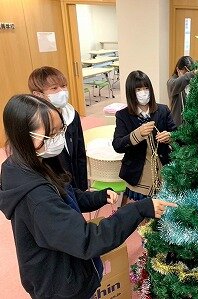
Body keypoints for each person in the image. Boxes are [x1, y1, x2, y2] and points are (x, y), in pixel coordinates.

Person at [0, 94, 177, 299]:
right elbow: (88, 240)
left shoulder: (31, 161)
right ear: (24, 135)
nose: (59, 140)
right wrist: (138, 209)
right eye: (51, 135)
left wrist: (98, 198)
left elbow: (66, 195)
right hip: (62, 287)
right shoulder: (37, 198)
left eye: (60, 131)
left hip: (65, 271)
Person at [113, 70, 176, 204]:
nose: (144, 92)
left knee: (164, 210)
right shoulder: (123, 115)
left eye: (146, 88)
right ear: (131, 92)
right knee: (141, 216)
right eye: (139, 89)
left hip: (164, 172)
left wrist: (170, 136)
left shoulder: (163, 110)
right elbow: (117, 145)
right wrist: (137, 134)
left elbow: (179, 136)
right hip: (138, 175)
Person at [28, 66, 88, 191]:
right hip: (53, 185)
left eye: (64, 86)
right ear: (38, 94)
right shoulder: (35, 123)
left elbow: (80, 151)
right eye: (54, 88)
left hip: (74, 179)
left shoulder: (71, 114)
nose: (62, 92)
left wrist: (83, 186)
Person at [167, 55, 195, 126]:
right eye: (185, 73)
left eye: (189, 72)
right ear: (178, 70)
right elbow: (181, 81)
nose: (187, 75)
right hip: (178, 126)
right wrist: (193, 73)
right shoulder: (171, 82)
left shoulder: (193, 83)